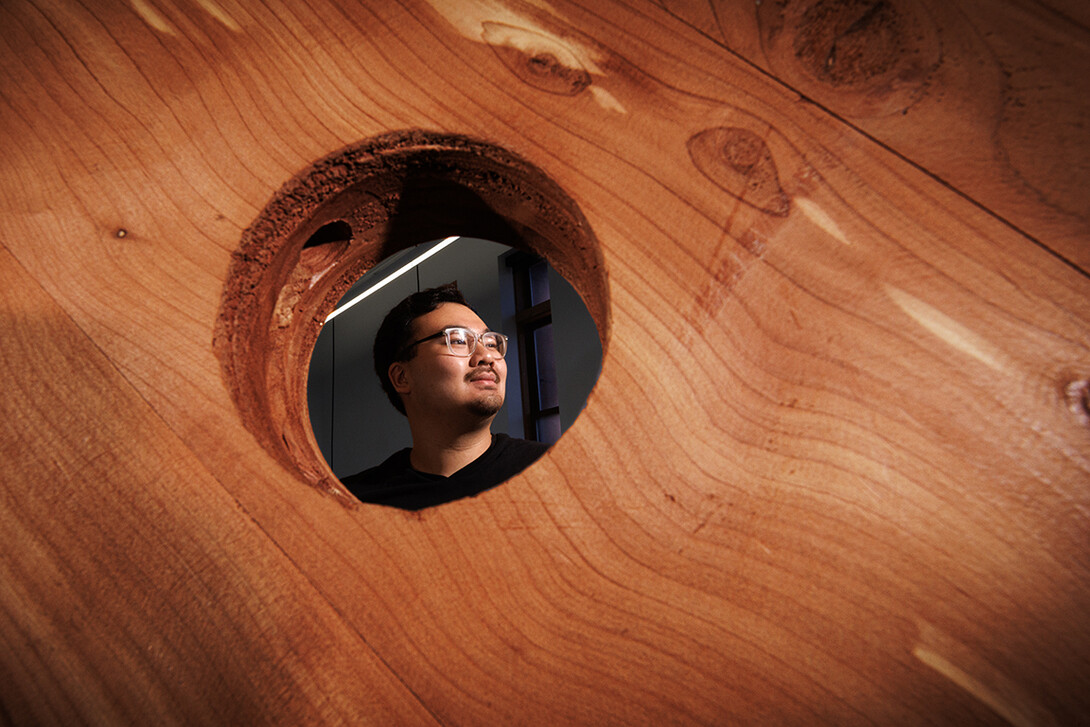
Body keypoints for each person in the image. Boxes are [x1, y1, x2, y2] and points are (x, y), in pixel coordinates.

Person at [342, 285, 550, 509]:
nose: (487, 356)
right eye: (459, 340)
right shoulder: (351, 503)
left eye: (491, 343)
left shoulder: (552, 472)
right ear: (402, 377)